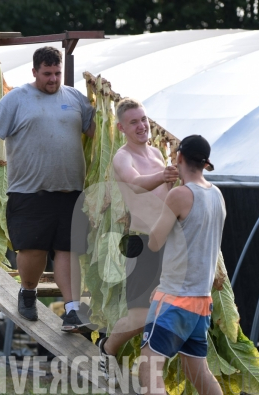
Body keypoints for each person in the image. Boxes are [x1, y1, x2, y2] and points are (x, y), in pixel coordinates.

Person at [0, 46, 96, 332]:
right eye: (47, 74)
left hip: (70, 192)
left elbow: (98, 130)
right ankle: (29, 291)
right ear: (34, 72)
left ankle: (72, 310)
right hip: (30, 191)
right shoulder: (17, 99)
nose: (53, 79)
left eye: (57, 73)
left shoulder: (75, 99)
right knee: (33, 250)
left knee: (67, 251)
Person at [97, 98, 179, 385]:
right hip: (142, 243)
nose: (142, 126)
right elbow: (135, 183)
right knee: (141, 315)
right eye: (134, 122)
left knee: (169, 310)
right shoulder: (123, 157)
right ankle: (107, 347)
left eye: (143, 119)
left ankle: (151, 376)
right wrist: (164, 174)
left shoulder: (157, 153)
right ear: (121, 127)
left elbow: (168, 194)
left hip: (168, 242)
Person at [140, 135, 224, 395]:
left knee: (149, 368)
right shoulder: (217, 195)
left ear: (179, 157)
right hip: (201, 301)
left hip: (175, 298)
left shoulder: (180, 194)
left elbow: (155, 242)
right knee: (197, 372)